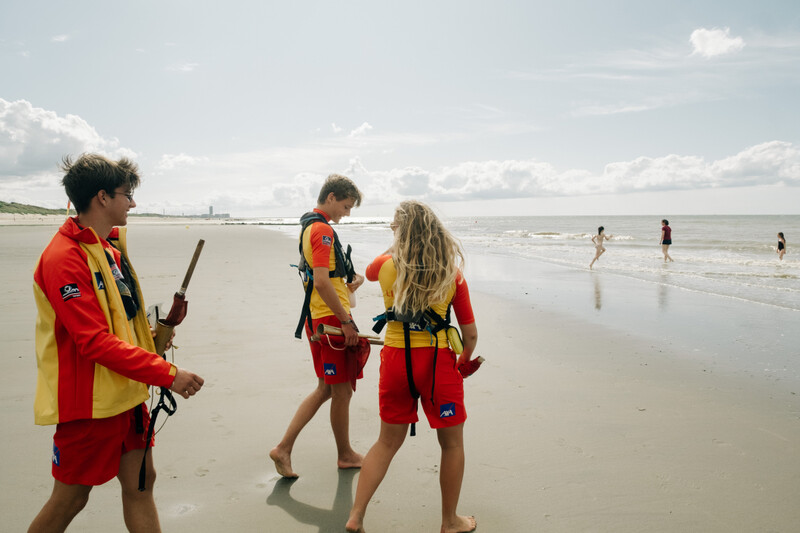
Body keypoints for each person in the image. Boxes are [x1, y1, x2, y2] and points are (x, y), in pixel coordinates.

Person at [28, 154, 204, 533]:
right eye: (128, 194)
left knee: (142, 484)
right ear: (103, 197)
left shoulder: (108, 251)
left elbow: (121, 322)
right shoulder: (64, 257)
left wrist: (159, 335)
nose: (133, 203)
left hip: (127, 394)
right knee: (71, 498)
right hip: (89, 404)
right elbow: (93, 341)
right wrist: (167, 374)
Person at [346, 200, 478, 533]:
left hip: (395, 361)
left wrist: (397, 239)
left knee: (386, 442)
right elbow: (470, 334)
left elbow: (372, 270)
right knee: (452, 444)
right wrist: (462, 361)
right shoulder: (452, 273)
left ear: (402, 232)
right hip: (437, 365)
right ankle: (450, 521)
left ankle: (356, 515)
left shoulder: (386, 266)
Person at [270, 174, 365, 479]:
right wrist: (347, 321)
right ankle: (345, 454)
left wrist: (352, 285)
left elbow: (321, 279)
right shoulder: (321, 229)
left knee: (328, 388)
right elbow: (321, 281)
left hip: (321, 317)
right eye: (346, 206)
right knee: (341, 391)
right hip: (330, 321)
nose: (346, 214)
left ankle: (283, 448)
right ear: (332, 197)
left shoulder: (310, 227)